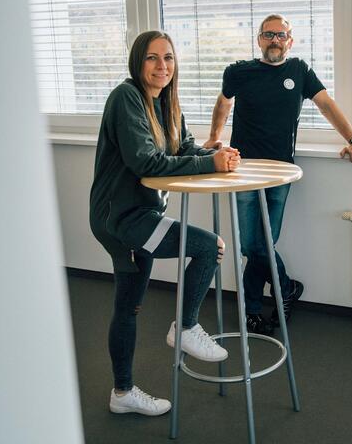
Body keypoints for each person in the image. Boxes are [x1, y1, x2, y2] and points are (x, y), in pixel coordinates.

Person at [89, 31, 241, 415]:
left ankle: (122, 394)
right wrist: (208, 163)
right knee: (208, 246)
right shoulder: (126, 98)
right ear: (137, 62)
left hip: (142, 213)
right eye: (152, 58)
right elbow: (146, 162)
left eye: (169, 57)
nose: (162, 66)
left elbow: (183, 147)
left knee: (129, 305)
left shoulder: (168, 102)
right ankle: (185, 326)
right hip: (120, 217)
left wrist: (213, 152)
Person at [203, 14, 352, 335]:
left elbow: (326, 105)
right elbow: (223, 103)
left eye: (281, 35)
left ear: (290, 41)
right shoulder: (238, 71)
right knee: (251, 246)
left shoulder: (299, 71)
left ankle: (253, 310)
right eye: (268, 34)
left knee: (264, 243)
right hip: (243, 169)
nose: (275, 40)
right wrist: (213, 137)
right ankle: (286, 288)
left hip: (280, 172)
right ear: (259, 39)